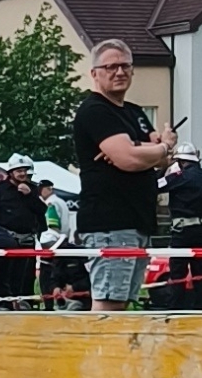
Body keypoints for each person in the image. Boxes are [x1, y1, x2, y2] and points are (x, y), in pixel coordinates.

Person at [73, 38, 175, 313]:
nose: (119, 72)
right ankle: (98, 356)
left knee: (123, 302)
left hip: (137, 221)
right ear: (95, 73)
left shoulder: (134, 112)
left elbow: (162, 160)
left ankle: (110, 356)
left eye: (125, 66)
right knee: (109, 305)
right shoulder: (94, 110)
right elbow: (129, 159)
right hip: (110, 223)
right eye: (111, 66)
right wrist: (158, 146)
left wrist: (145, 149)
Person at [0, 156, 45, 305]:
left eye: (24, 171)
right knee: (3, 274)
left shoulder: (33, 189)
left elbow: (42, 210)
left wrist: (29, 195)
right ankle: (4, 304)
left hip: (27, 239)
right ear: (11, 172)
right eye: (19, 171)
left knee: (26, 275)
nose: (23, 174)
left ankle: (25, 304)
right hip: (5, 238)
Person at [163, 142, 202, 309]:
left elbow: (156, 186)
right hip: (200, 231)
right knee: (200, 275)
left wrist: (163, 168)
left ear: (179, 161)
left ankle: (174, 312)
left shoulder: (180, 177)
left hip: (182, 232)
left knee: (177, 275)